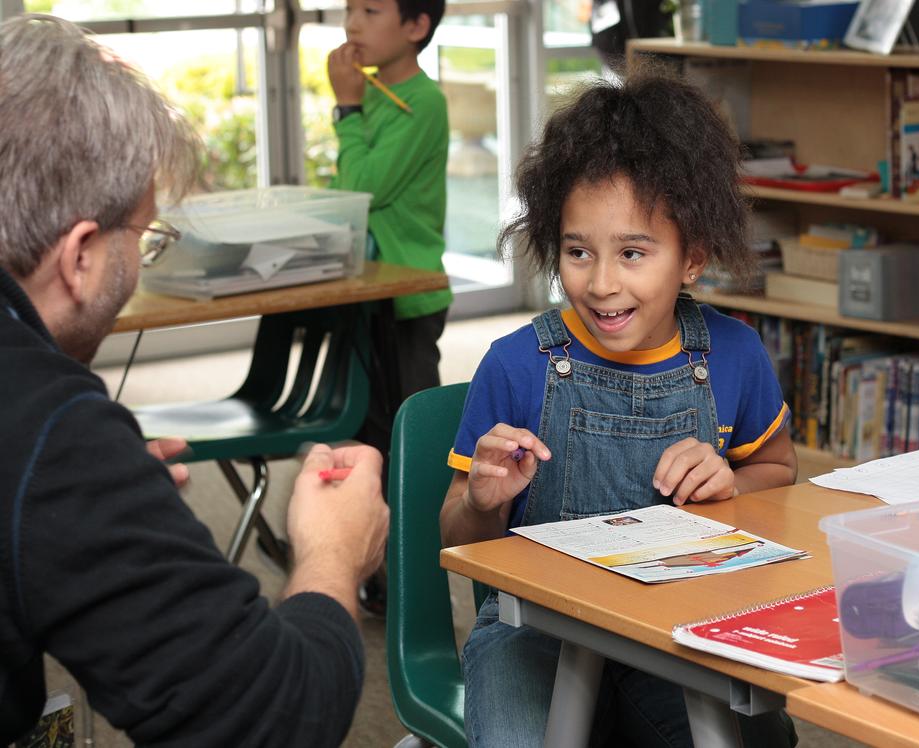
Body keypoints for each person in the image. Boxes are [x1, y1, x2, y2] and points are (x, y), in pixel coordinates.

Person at [0, 15, 389, 746]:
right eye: (146, 237)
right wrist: (333, 554)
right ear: (81, 255)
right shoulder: (49, 434)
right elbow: (276, 717)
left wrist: (73, 521)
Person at [439, 67, 800, 746]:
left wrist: (734, 482)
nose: (601, 284)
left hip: (674, 631)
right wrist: (483, 501)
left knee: (757, 738)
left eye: (633, 253)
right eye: (578, 252)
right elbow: (457, 539)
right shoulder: (517, 365)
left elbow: (781, 473)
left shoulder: (735, 355)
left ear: (692, 255)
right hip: (532, 635)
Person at [327, 0, 450, 615]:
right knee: (364, 431)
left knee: (409, 441)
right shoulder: (376, 94)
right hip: (367, 292)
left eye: (370, 10)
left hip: (408, 296)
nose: (352, 24)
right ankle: (373, 571)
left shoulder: (423, 102)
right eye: (349, 10)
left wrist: (346, 109)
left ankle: (415, 584)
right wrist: (354, 107)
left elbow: (360, 189)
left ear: (415, 27)